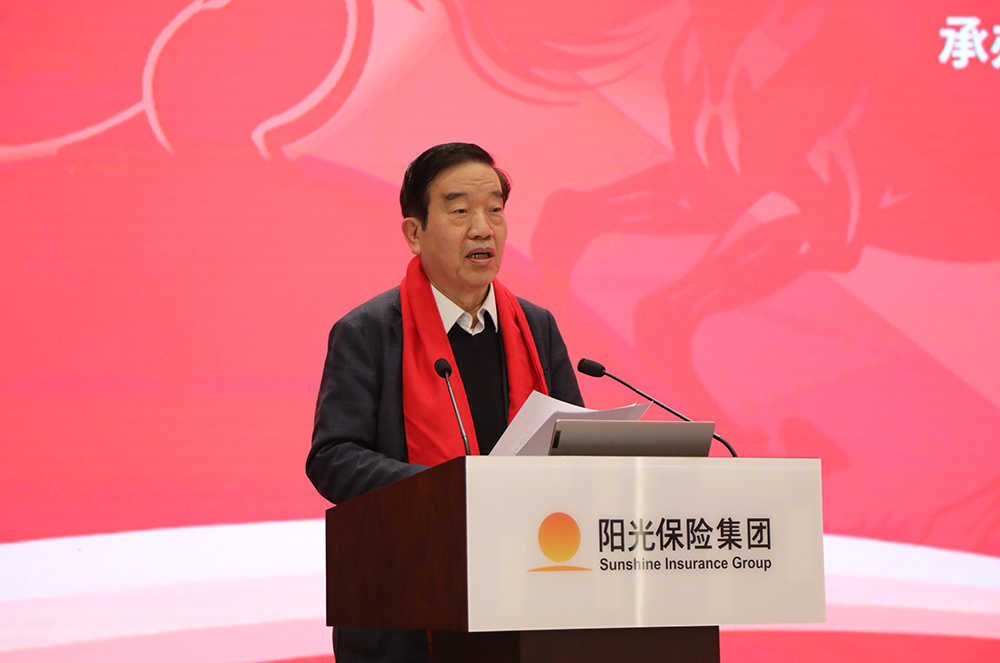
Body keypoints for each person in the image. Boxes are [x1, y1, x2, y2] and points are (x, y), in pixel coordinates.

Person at [306, 142, 584, 663]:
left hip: (527, 594)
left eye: (495, 210)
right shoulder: (367, 333)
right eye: (460, 212)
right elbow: (332, 458)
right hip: (406, 610)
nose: (483, 229)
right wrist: (447, 491)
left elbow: (577, 448)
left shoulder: (536, 328)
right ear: (414, 233)